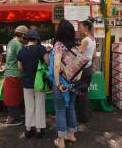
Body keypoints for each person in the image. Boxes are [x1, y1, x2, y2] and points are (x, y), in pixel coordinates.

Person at [17, 29, 49, 138]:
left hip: (26, 81)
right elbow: (47, 62)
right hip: (39, 81)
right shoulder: (41, 49)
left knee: (29, 106)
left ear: (27, 39)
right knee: (39, 105)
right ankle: (39, 130)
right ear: (36, 39)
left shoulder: (21, 51)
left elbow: (20, 68)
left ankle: (28, 129)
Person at [52, 19, 78, 148]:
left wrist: (57, 83)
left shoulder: (58, 45)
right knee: (71, 107)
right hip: (73, 83)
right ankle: (71, 135)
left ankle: (61, 141)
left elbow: (57, 66)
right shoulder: (75, 45)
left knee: (60, 110)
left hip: (61, 82)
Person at [4, 25, 28, 126]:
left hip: (8, 73)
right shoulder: (18, 45)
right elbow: (22, 61)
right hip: (15, 74)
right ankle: (13, 119)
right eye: (26, 37)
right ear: (22, 35)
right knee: (15, 97)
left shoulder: (10, 42)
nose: (26, 39)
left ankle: (14, 117)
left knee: (12, 96)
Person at [77, 20, 96, 123]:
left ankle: (83, 117)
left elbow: (78, 54)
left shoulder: (86, 40)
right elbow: (93, 55)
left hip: (83, 69)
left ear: (86, 28)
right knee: (84, 92)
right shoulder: (93, 39)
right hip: (88, 67)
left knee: (81, 94)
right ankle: (87, 114)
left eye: (81, 27)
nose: (79, 29)